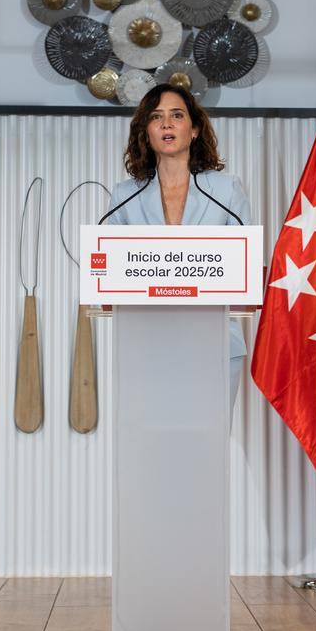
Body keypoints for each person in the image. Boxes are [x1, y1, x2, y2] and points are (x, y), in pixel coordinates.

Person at [103, 83, 250, 405]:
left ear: (194, 129)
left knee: (207, 451)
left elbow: (246, 266)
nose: (167, 124)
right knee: (151, 449)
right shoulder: (125, 195)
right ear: (147, 132)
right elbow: (110, 273)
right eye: (156, 117)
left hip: (216, 347)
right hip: (146, 348)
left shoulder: (225, 191)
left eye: (177, 115)